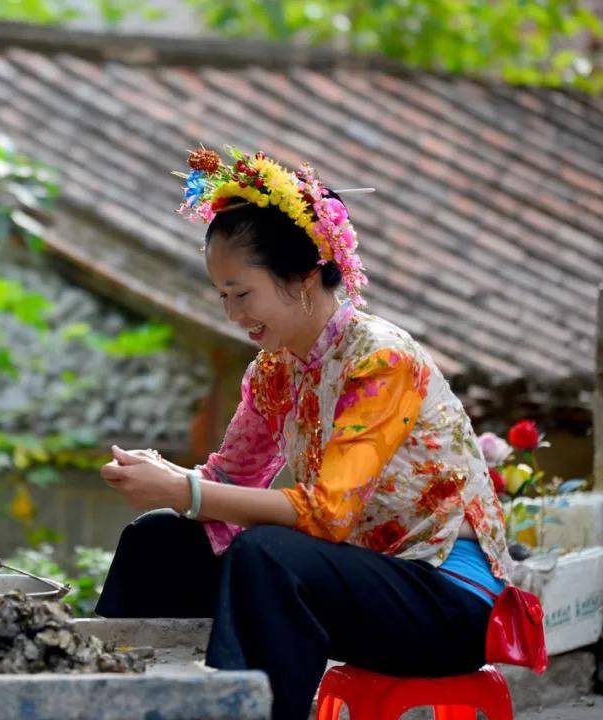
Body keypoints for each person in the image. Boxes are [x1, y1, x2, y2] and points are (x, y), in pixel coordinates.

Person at [95, 147, 513, 720]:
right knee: (159, 539)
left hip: (445, 599)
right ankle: (104, 701)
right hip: (355, 581)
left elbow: (327, 513)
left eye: (242, 293)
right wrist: (169, 480)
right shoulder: (275, 371)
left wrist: (183, 489)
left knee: (268, 555)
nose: (231, 314)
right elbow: (227, 484)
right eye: (222, 296)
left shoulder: (381, 360)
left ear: (304, 278)